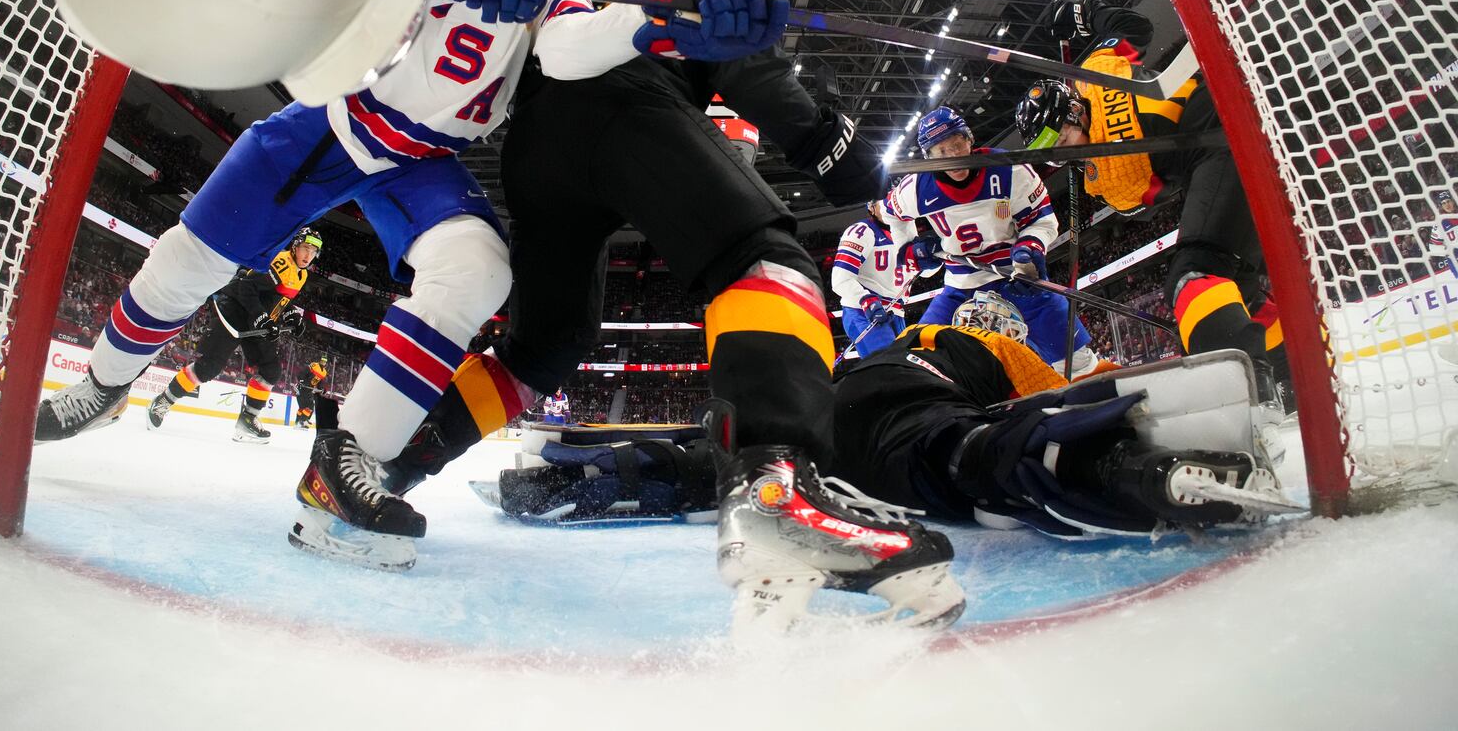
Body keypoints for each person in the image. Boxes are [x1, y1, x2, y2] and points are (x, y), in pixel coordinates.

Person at [35, 0, 728, 571]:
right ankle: (102, 384)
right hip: (335, 120)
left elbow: (576, 44)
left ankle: (344, 465)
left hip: (420, 161)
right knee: (191, 259)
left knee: (478, 271)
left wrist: (658, 19)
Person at [378, 0, 964, 630]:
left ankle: (394, 462)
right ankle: (775, 497)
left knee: (543, 349)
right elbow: (748, 61)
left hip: (538, 149)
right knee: (764, 259)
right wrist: (832, 149)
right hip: (621, 106)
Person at [493, 290, 1288, 540]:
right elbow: (1051, 394)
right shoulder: (989, 346)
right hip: (911, 422)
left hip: (830, 414)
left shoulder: (899, 336)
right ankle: (1130, 472)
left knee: (729, 463)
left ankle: (576, 475)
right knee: (969, 455)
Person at [1013, 0, 1285, 407]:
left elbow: (1134, 26)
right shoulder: (1101, 178)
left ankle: (1243, 392)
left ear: (1071, 111)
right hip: (1218, 157)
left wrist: (1083, 12)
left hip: (1222, 120)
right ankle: (1289, 374)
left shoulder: (1098, 74)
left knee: (1195, 273)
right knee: (1238, 288)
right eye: (1053, 155)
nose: (1064, 155)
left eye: (1061, 141)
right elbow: (1140, 206)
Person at [886, 106, 1104, 375]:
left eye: (957, 144)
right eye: (942, 151)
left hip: (1015, 276)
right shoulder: (916, 188)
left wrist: (1031, 245)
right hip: (960, 283)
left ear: (969, 139)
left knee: (1076, 361)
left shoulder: (1008, 169)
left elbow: (1043, 219)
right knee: (918, 357)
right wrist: (909, 249)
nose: (954, 156)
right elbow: (891, 213)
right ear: (928, 156)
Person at [143, 227, 324, 443]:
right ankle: (163, 401)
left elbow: (277, 298)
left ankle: (247, 421)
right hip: (235, 311)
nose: (308, 256)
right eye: (305, 248)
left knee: (271, 370)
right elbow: (246, 286)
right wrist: (260, 316)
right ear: (295, 246)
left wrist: (291, 314)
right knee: (208, 367)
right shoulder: (282, 262)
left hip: (256, 320)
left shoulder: (301, 273)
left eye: (313, 252)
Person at [832, 199, 927, 358]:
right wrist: (866, 300)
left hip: (896, 312)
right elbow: (840, 279)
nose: (886, 205)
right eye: (881, 201)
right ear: (871, 207)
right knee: (890, 368)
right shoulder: (861, 231)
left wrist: (933, 259)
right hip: (863, 311)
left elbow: (921, 271)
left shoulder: (907, 230)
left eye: (891, 199)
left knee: (905, 369)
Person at [294, 357, 329, 428]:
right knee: (309, 406)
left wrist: (322, 389)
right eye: (322, 361)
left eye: (324, 362)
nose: (323, 362)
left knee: (303, 407)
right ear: (320, 360)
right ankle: (302, 421)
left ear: (326, 363)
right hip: (302, 387)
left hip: (309, 390)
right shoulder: (314, 365)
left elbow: (320, 383)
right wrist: (301, 381)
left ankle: (298, 422)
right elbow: (302, 373)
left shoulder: (324, 372)